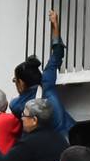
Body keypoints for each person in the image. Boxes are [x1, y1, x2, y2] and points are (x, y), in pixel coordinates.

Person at [10, 9, 75, 140]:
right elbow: (57, 53)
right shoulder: (47, 82)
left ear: (21, 83)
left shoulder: (17, 105)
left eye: (15, 80)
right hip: (68, 135)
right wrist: (55, 24)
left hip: (48, 146)